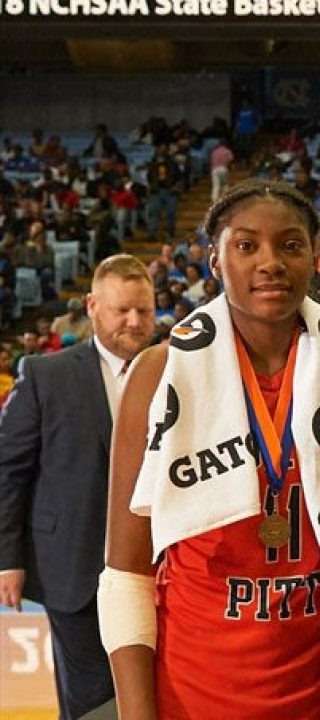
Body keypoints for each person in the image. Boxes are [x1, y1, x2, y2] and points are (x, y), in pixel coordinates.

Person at [100, 181, 320, 719]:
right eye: (246, 245)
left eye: (291, 245)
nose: (270, 262)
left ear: (315, 258)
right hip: (193, 689)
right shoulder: (160, 374)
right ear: (215, 259)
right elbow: (125, 572)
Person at [0, 254, 156, 719]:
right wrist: (7, 559)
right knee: (91, 699)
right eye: (121, 310)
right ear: (91, 306)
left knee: (151, 693)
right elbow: (9, 470)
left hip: (161, 569)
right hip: (71, 568)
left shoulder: (178, 372)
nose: (133, 321)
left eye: (144, 311)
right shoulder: (44, 375)